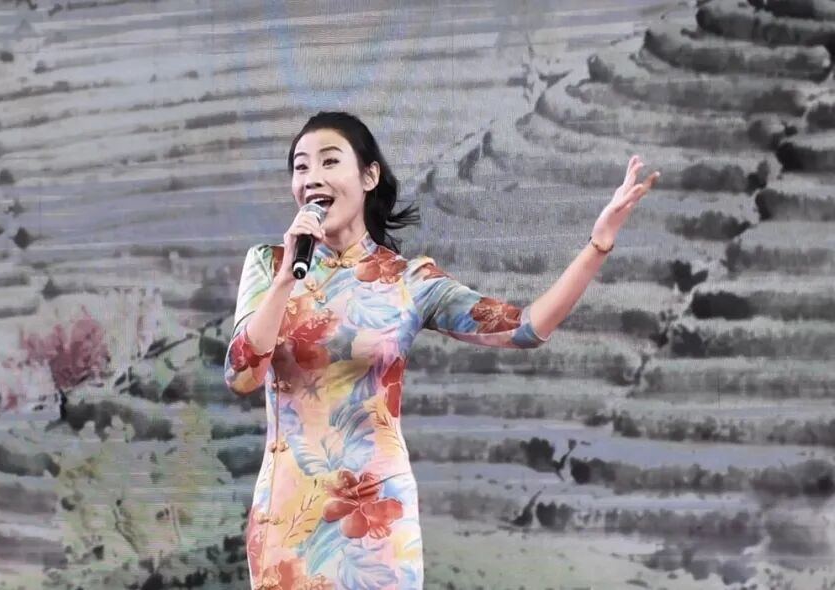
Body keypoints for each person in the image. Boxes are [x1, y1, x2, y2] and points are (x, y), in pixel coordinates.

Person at [223, 111, 658, 589]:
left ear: (369, 176)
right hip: (290, 515)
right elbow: (242, 375)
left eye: (329, 161)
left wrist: (598, 244)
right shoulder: (269, 265)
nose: (312, 178)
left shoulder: (409, 281)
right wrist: (286, 280)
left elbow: (526, 327)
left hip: (376, 515)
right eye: (301, 167)